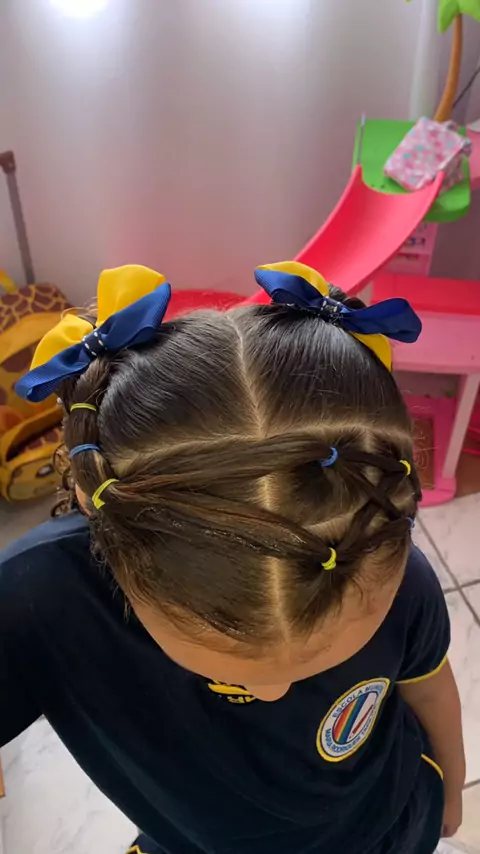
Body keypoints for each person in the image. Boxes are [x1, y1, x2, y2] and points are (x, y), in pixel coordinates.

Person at [0, 262, 465, 854]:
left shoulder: (394, 575)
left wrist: (451, 790)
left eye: (321, 658)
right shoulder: (38, 601)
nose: (272, 698)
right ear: (119, 559)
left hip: (391, 822)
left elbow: (429, 686)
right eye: (235, 667)